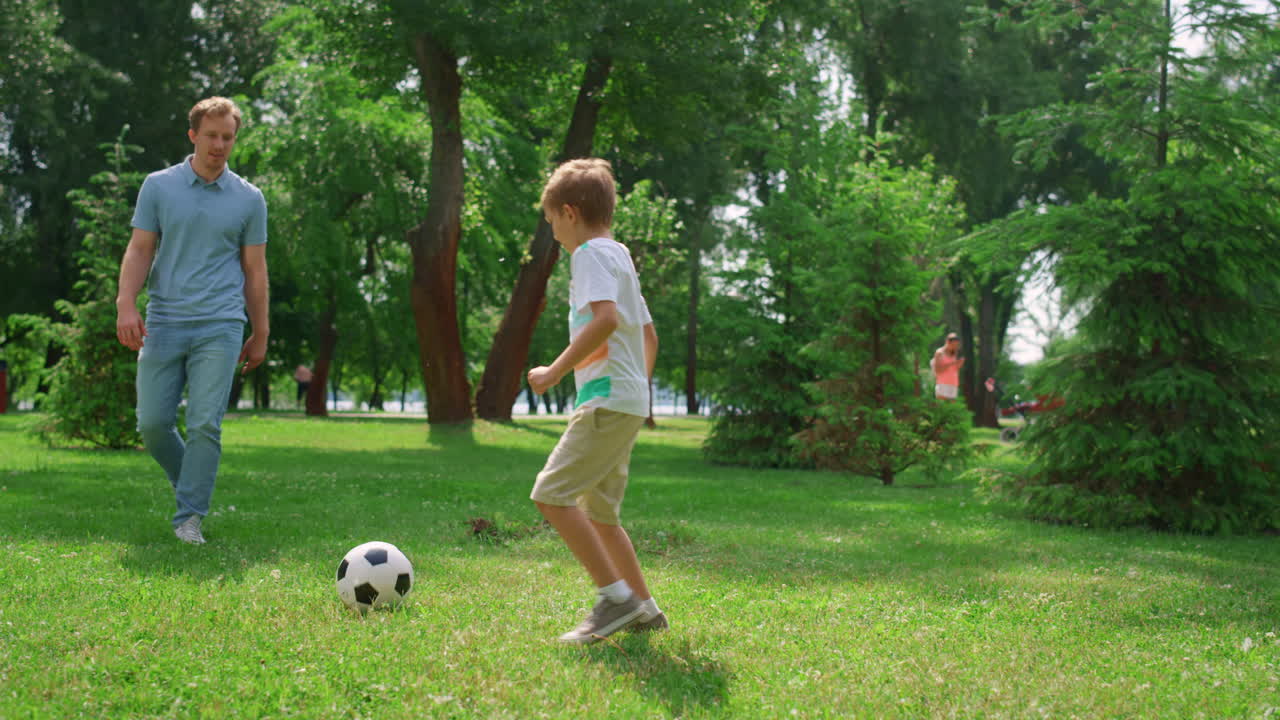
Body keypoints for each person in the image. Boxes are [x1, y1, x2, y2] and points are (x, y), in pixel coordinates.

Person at [115, 97, 269, 545]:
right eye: (212, 136)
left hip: (221, 323)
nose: (219, 145)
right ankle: (192, 487)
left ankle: (189, 518)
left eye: (228, 137)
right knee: (152, 423)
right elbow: (140, 249)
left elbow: (256, 271)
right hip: (164, 319)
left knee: (204, 423)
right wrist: (127, 303)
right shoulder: (159, 187)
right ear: (193, 136)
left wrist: (261, 331)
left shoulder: (248, 198)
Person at [526, 158, 665, 644]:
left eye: (552, 224)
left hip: (605, 402)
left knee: (551, 495)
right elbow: (648, 335)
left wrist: (553, 371)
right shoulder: (619, 255)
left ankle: (616, 598)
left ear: (569, 212)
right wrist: (637, 392)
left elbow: (604, 320)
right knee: (601, 513)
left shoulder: (587, 256)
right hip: (624, 401)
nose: (555, 235)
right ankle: (644, 607)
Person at [931, 332, 965, 401]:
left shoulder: (954, 353)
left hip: (953, 385)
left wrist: (959, 364)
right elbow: (938, 370)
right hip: (942, 385)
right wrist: (952, 363)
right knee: (942, 409)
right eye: (953, 345)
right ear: (948, 342)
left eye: (956, 345)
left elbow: (954, 369)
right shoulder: (939, 352)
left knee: (952, 409)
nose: (955, 347)